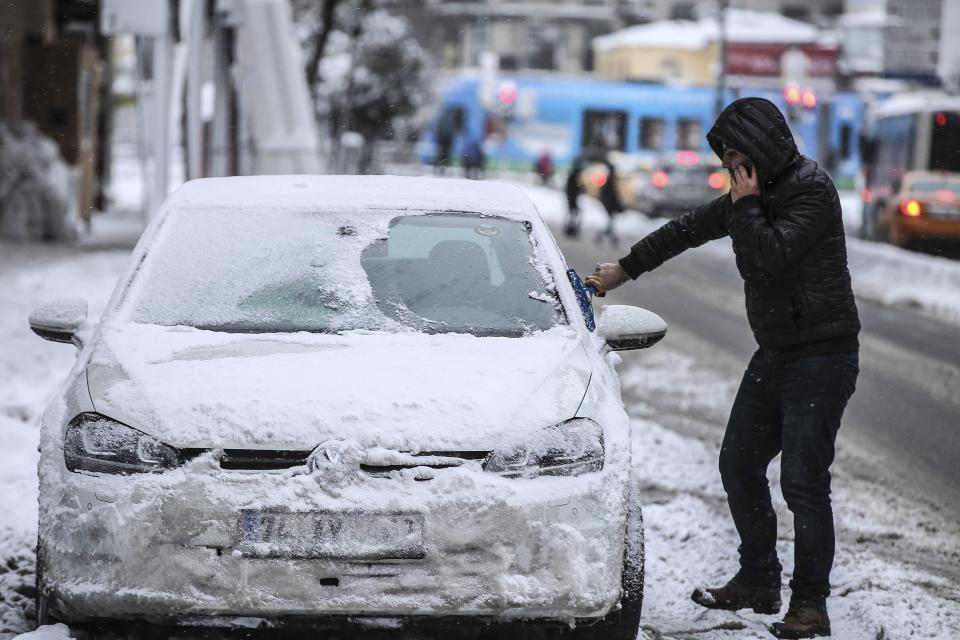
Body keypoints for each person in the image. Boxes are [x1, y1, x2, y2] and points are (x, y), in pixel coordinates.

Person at [586, 97, 860, 639]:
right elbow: (684, 229)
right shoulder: (745, 195)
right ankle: (758, 579)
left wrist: (749, 204)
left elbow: (768, 258)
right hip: (777, 352)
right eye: (725, 160)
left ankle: (810, 605)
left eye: (737, 156)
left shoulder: (810, 188)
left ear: (762, 148)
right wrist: (624, 269)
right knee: (738, 462)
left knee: (803, 481)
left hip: (823, 353)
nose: (730, 169)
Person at [597, 157, 623, 246]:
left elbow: (607, 194)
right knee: (610, 222)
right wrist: (617, 205)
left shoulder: (609, 180)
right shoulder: (610, 181)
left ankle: (607, 237)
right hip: (610, 204)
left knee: (610, 222)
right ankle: (609, 237)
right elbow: (613, 195)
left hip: (609, 204)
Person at [564, 156, 584, 237]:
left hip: (571, 197)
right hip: (573, 197)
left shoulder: (572, 174)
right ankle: (571, 230)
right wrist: (581, 188)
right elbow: (576, 187)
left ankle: (571, 229)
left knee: (573, 214)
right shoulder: (575, 175)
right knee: (574, 214)